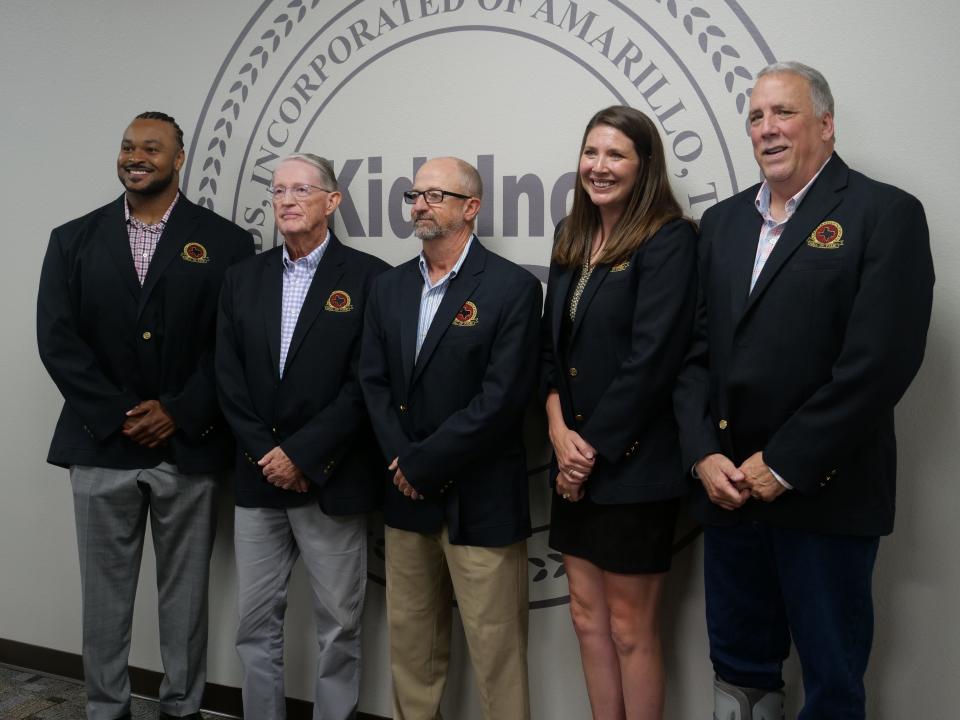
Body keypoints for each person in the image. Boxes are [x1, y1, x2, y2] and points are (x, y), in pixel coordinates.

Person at [674, 62, 935, 719]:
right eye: (756, 117)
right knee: (738, 673)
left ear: (825, 123)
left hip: (826, 497)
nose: (767, 129)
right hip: (728, 493)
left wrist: (784, 464)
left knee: (832, 680)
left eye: (783, 113)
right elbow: (695, 354)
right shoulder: (725, 223)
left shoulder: (885, 214)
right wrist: (703, 454)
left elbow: (879, 364)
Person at [36, 111, 254, 720]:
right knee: (103, 598)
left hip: (187, 447)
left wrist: (179, 412)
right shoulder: (71, 239)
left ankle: (181, 707)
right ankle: (107, 708)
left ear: (179, 158)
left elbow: (233, 346)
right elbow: (57, 340)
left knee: (184, 599)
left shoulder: (228, 243)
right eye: (128, 147)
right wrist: (119, 414)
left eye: (151, 148)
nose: (136, 156)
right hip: (99, 445)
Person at [358, 156, 542, 720]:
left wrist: (422, 465)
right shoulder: (388, 287)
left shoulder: (512, 287)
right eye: (416, 195)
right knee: (412, 648)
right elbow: (373, 382)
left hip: (479, 501)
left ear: (472, 208)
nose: (420, 205)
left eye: (436, 195)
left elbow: (502, 400)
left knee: (498, 653)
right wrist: (401, 462)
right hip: (405, 500)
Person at [215, 153, 388, 720]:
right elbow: (227, 374)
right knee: (254, 623)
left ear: (332, 201)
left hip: (329, 480)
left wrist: (302, 455)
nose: (286, 200)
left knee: (339, 624)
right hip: (257, 475)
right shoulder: (243, 277)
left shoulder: (370, 278)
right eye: (278, 190)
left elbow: (366, 384)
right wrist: (267, 453)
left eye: (301, 190)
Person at [540, 106, 698, 720]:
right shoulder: (570, 237)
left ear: (644, 166)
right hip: (573, 460)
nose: (599, 167)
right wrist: (558, 432)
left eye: (616, 156)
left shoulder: (669, 238)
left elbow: (653, 361)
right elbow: (549, 353)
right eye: (591, 153)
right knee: (585, 619)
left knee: (631, 628)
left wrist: (587, 451)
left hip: (634, 465)